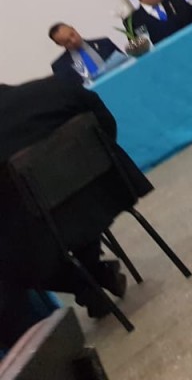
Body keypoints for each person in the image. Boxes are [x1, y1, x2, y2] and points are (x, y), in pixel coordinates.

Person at [0, 76, 153, 319]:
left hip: (44, 227)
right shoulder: (58, 88)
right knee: (66, 211)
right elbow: (106, 125)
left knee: (9, 264)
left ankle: (89, 287)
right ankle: (96, 275)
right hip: (105, 195)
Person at [48, 23, 123, 84]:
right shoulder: (60, 66)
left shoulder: (104, 43)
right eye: (67, 41)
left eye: (72, 35)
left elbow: (124, 62)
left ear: (74, 29)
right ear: (59, 44)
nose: (73, 41)